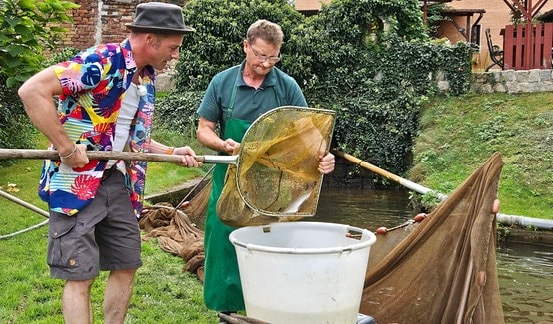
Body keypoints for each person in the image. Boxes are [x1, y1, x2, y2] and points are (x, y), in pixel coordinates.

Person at [18, 3, 200, 323]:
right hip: (75, 182)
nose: (175, 55)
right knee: (80, 275)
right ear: (151, 39)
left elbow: (125, 137)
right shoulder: (101, 61)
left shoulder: (143, 77)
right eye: (173, 48)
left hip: (116, 180)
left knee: (126, 263)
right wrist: (66, 149)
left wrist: (171, 152)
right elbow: (32, 91)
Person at [196, 19, 336, 314]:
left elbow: (309, 133)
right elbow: (204, 129)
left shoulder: (287, 87)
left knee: (270, 246)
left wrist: (324, 155)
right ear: (246, 47)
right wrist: (223, 144)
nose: (266, 63)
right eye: (260, 55)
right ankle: (226, 313)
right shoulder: (222, 82)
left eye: (273, 57)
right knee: (224, 244)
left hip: (274, 184)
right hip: (230, 179)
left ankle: (267, 309)